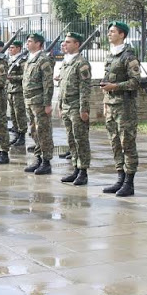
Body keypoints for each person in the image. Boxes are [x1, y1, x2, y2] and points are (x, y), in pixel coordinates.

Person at [101, 21, 141, 197]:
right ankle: (120, 178)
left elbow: (135, 82)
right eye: (109, 31)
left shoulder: (128, 56)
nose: (109, 34)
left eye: (113, 32)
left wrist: (115, 86)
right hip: (111, 106)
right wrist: (104, 102)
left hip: (125, 107)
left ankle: (129, 182)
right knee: (115, 143)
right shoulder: (110, 56)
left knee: (127, 143)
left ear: (122, 34)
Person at [58, 32, 91, 185]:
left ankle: (83, 171)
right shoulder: (66, 62)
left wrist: (83, 109)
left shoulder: (81, 63)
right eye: (65, 42)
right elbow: (62, 86)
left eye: (69, 42)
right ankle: (75, 168)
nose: (65, 44)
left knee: (80, 139)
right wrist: (59, 105)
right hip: (66, 106)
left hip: (76, 107)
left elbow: (84, 88)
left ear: (77, 44)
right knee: (71, 139)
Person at [22, 33, 54, 175]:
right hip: (30, 101)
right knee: (34, 132)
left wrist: (47, 103)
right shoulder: (30, 59)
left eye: (30, 41)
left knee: (43, 132)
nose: (27, 44)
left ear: (38, 44)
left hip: (39, 102)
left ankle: (46, 162)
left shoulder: (43, 60)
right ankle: (38, 159)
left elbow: (48, 83)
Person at [6, 40, 27, 147]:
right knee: (13, 115)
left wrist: (12, 78)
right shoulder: (10, 60)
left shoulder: (22, 61)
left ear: (18, 49)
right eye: (9, 48)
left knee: (20, 114)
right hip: (10, 90)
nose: (10, 50)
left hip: (18, 91)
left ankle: (22, 136)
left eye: (12, 48)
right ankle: (16, 134)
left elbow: (26, 76)